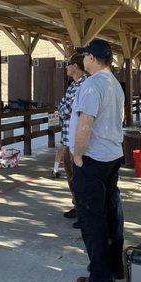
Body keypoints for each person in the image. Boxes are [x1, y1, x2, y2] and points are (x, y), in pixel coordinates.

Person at [68, 39, 125, 282]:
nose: (82, 60)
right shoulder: (115, 84)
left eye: (84, 56)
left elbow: (85, 125)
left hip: (93, 159)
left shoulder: (92, 85)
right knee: (112, 213)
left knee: (93, 220)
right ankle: (114, 267)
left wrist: (78, 155)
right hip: (112, 157)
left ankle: (100, 281)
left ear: (91, 58)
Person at [55, 53, 87, 226]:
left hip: (77, 142)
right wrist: (62, 108)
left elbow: (66, 109)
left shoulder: (83, 85)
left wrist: (62, 108)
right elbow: (62, 106)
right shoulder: (72, 86)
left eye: (68, 64)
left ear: (75, 66)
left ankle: (84, 213)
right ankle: (77, 206)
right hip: (67, 140)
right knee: (71, 177)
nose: (66, 67)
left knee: (80, 179)